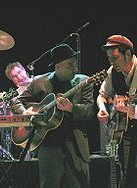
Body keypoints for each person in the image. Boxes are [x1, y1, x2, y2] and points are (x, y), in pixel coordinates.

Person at [13, 44, 94, 188]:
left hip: (75, 145)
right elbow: (17, 102)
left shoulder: (83, 82)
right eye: (70, 66)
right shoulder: (39, 82)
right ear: (57, 66)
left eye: (75, 65)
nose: (75, 69)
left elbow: (88, 111)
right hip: (48, 145)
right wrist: (24, 112)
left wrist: (71, 108)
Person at [97, 34, 137, 188]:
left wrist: (131, 110)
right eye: (109, 59)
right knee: (125, 172)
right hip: (122, 132)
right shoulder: (112, 71)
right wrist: (102, 109)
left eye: (115, 58)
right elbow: (102, 95)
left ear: (128, 54)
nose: (112, 63)